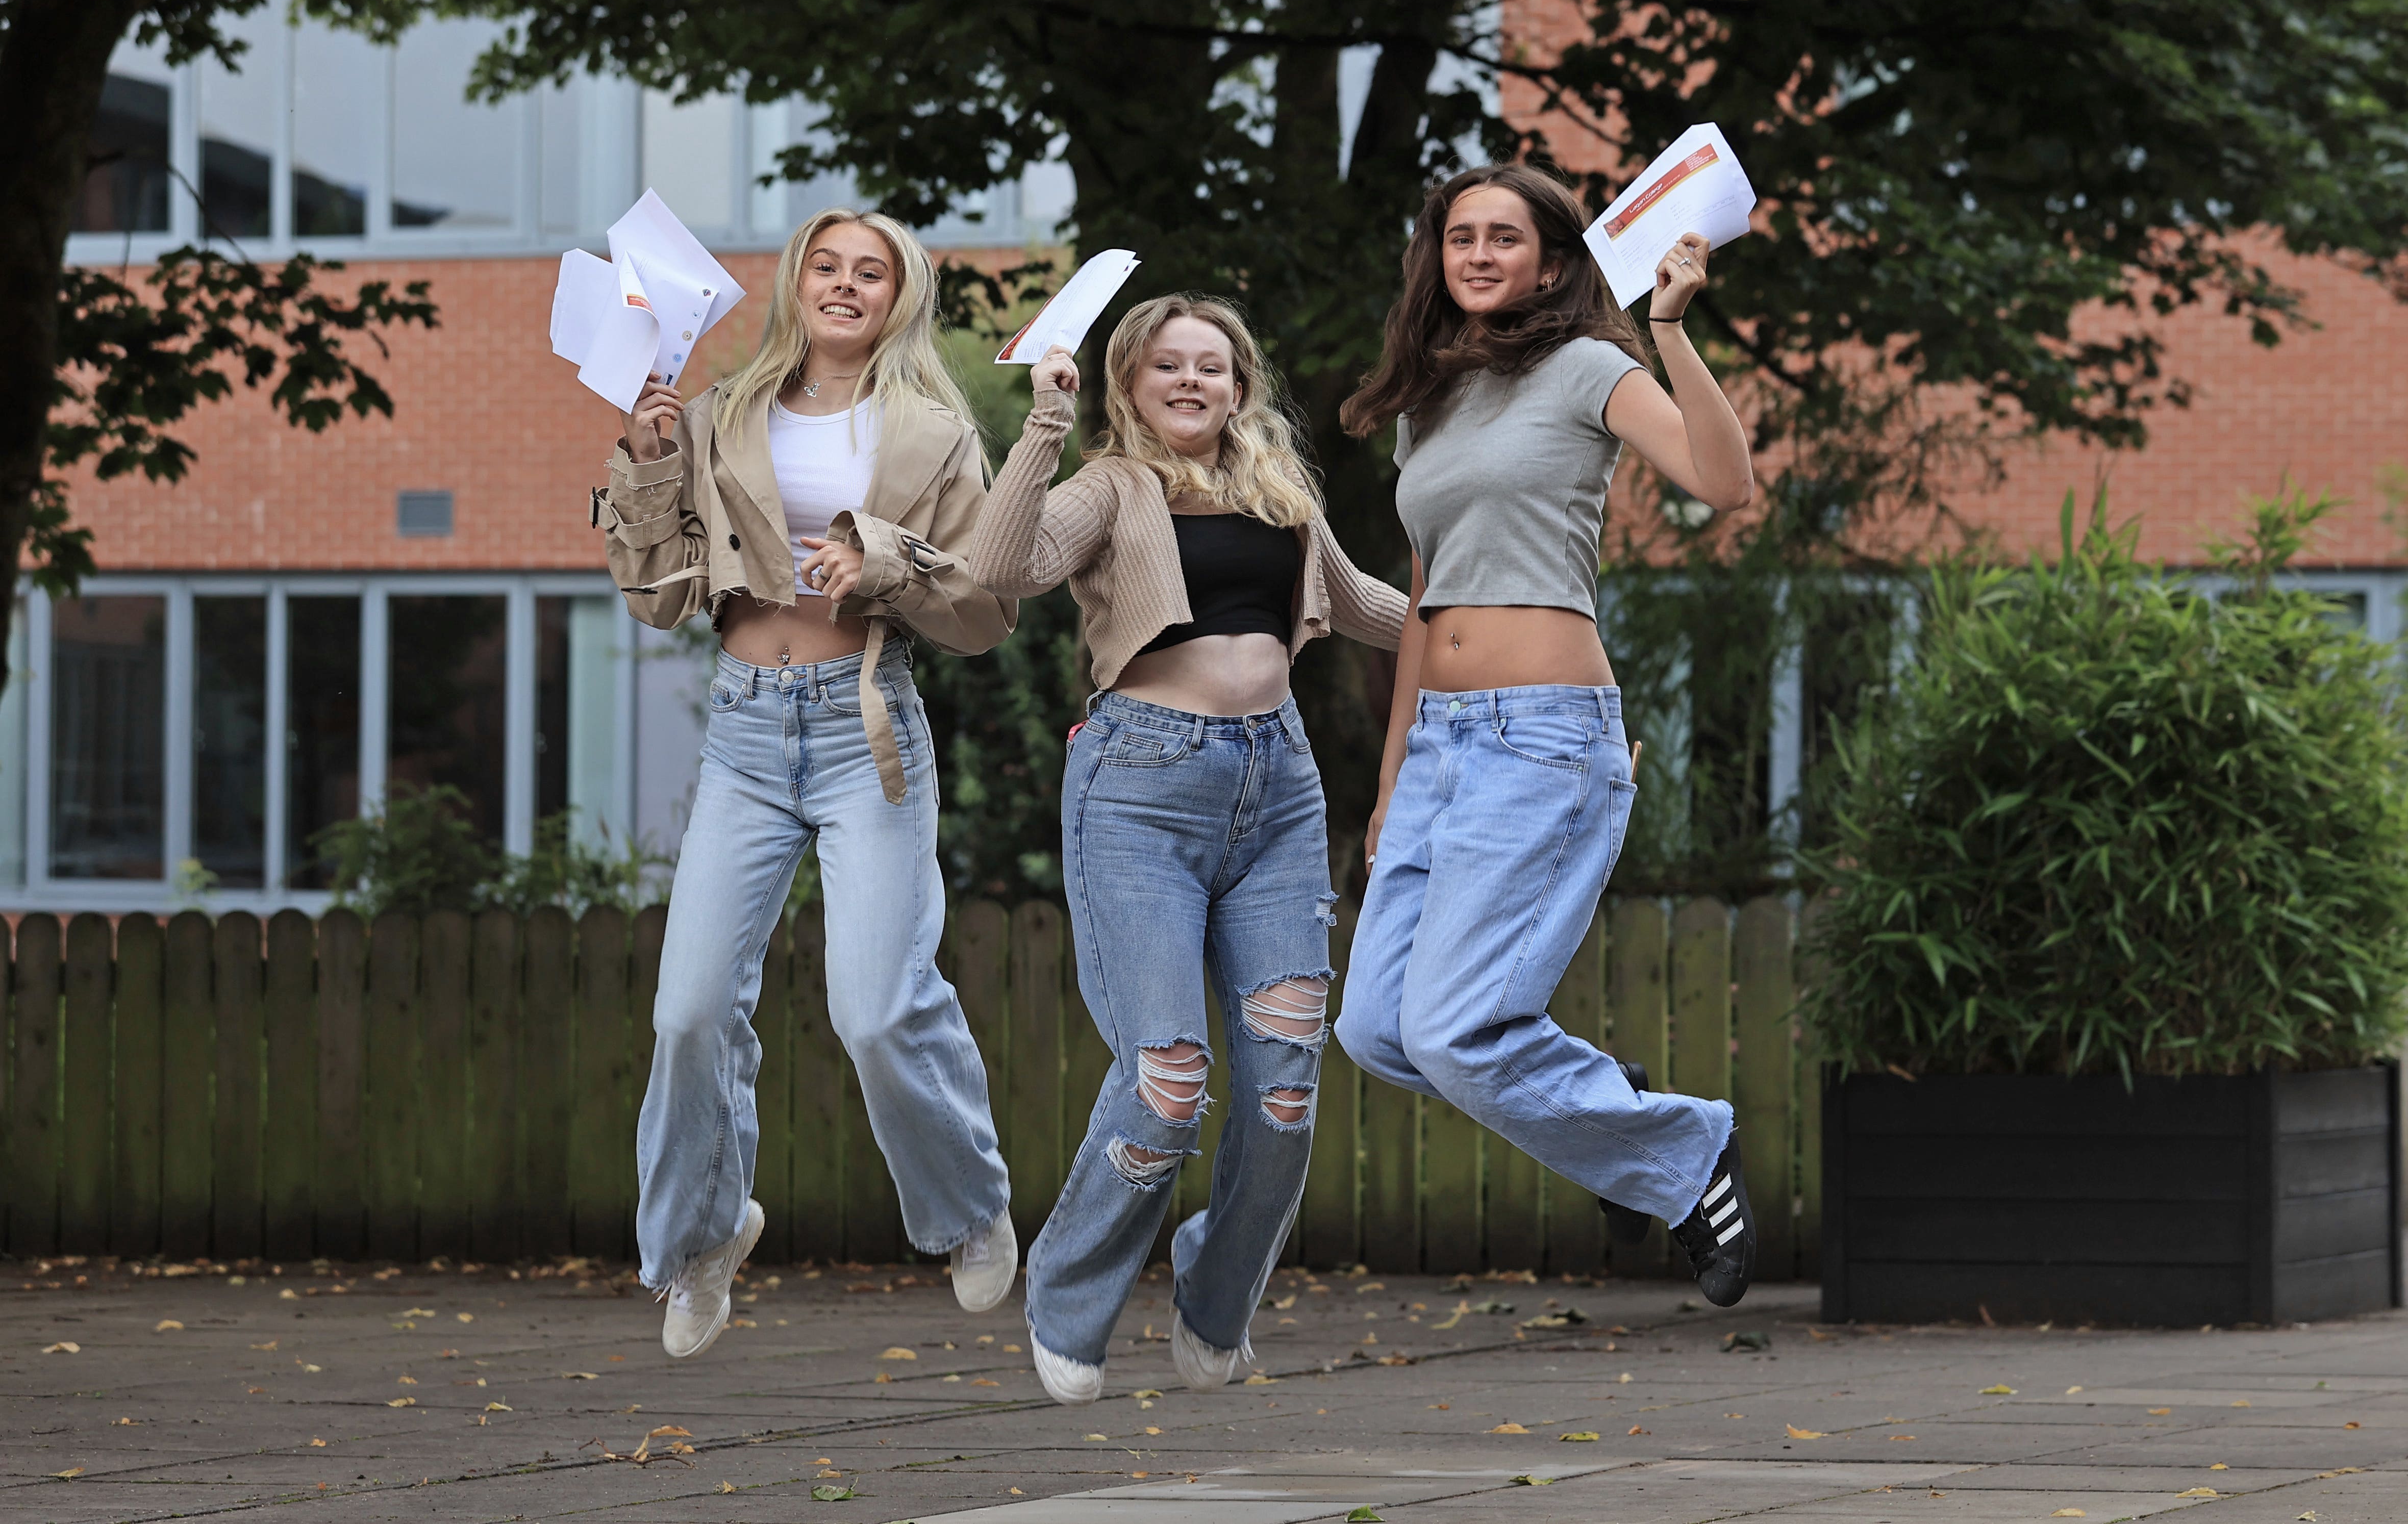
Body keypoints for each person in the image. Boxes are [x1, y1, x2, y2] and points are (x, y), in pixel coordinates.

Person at [1333, 163, 1761, 1305]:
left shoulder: (1587, 369)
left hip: (1542, 736)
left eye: (1503, 237)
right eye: (1459, 236)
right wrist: (1388, 786)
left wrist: (1666, 325)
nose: (1477, 253)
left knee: (1453, 1028)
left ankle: (1683, 1145)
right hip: (1439, 750)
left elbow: (1724, 484)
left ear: (1553, 262)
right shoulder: (1426, 403)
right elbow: (1424, 608)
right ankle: (1600, 1105)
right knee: (1376, 1028)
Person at [594, 207, 1018, 1357]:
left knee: (876, 1009)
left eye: (867, 270)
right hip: (742, 733)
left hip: (863, 729)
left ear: (898, 294)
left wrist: (881, 559)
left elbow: (983, 611)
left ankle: (971, 1206)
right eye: (825, 266)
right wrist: (643, 463)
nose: (843, 284)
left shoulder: (934, 431)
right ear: (795, 284)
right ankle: (702, 1235)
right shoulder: (720, 412)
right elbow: (659, 595)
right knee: (687, 1009)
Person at [968, 294, 1407, 1404]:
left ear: (1238, 384)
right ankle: (1068, 1296)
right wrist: (1040, 429)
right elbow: (999, 566)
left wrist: (1503, 627)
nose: (1191, 380)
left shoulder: (1279, 492)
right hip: (1140, 792)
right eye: (1168, 363)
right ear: (1130, 379)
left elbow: (1360, 606)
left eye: (1211, 365)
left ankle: (1217, 1294)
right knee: (1168, 1080)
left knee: (1284, 1090)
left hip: (1279, 793)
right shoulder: (1109, 486)